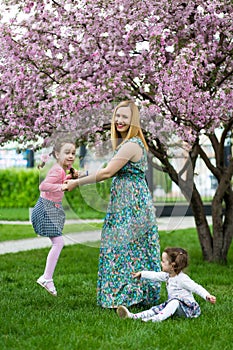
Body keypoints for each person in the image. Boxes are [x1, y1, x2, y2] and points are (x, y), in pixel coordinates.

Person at [63, 100, 161, 308]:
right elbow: (110, 169)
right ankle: (128, 294)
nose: (119, 120)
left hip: (132, 205)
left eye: (125, 117)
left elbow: (107, 173)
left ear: (133, 120)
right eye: (117, 116)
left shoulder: (132, 144)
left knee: (128, 248)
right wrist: (81, 174)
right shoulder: (126, 144)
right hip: (125, 202)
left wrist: (76, 183)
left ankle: (130, 295)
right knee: (127, 248)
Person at [31, 138, 80, 296]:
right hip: (46, 208)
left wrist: (69, 180)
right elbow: (43, 186)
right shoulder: (57, 169)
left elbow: (58, 186)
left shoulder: (61, 170)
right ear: (57, 154)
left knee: (58, 243)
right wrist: (62, 185)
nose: (71, 156)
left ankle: (47, 277)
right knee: (58, 243)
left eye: (73, 153)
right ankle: (46, 278)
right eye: (67, 153)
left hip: (50, 208)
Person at [117, 247, 216, 322]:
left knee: (174, 301)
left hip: (188, 310)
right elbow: (155, 275)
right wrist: (142, 274)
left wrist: (207, 295)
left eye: (163, 262)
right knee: (157, 308)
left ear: (172, 266)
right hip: (173, 306)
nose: (161, 263)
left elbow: (196, 287)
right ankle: (133, 316)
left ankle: (155, 319)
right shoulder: (167, 276)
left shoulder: (182, 279)